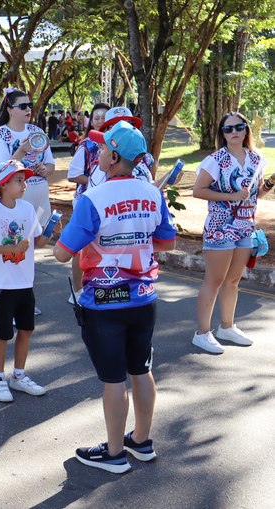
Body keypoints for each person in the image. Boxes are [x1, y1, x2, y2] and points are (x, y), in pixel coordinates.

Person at [53, 121, 177, 474]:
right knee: (141, 369)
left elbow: (63, 254)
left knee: (113, 379)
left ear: (114, 156)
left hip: (104, 304)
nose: (99, 153)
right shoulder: (152, 193)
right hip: (143, 298)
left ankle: (114, 453)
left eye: (103, 148)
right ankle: (141, 440)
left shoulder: (94, 198)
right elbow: (166, 242)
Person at [0, 161, 55, 402]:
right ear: (3, 185)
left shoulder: (28, 209)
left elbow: (38, 242)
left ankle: (18, 375)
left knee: (27, 330)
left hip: (25, 281)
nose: (24, 184)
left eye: (24, 179)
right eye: (18, 180)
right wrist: (10, 247)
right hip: (2, 283)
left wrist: (51, 230)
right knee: (2, 333)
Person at [191, 112, 271, 354]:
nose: (234, 131)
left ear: (246, 130)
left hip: (245, 226)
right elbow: (198, 190)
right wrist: (231, 196)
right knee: (213, 281)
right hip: (220, 227)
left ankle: (227, 327)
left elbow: (256, 193)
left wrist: (268, 185)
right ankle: (202, 333)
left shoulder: (257, 160)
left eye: (239, 127)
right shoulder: (215, 160)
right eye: (228, 129)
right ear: (222, 134)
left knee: (234, 280)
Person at [0, 88, 55, 227]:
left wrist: (44, 169)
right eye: (23, 106)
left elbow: (51, 165)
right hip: (15, 199)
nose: (28, 110)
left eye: (30, 105)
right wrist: (21, 151)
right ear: (10, 110)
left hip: (41, 194)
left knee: (38, 239)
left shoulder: (37, 132)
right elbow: (0, 173)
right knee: (15, 240)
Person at [66, 103, 110, 304]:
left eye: (104, 117)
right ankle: (77, 290)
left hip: (108, 203)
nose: (100, 120)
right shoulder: (86, 145)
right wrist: (97, 183)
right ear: (90, 121)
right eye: (96, 117)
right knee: (81, 245)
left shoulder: (116, 144)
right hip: (86, 201)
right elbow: (73, 175)